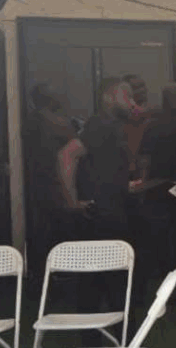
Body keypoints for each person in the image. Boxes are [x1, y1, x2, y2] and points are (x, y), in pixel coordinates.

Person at [57, 79, 147, 323]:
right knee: (106, 281)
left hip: (111, 209)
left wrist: (124, 186)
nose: (132, 102)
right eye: (126, 96)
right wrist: (71, 201)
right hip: (103, 214)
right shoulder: (101, 125)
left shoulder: (112, 126)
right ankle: (115, 337)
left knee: (104, 281)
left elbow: (102, 168)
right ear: (108, 97)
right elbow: (67, 154)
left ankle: (111, 337)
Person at [138, 83, 176, 305]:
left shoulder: (153, 126)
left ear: (164, 100)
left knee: (160, 239)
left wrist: (143, 183)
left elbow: (144, 159)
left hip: (157, 189)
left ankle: (163, 284)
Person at [24, 83, 77, 294]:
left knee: (42, 231)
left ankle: (42, 278)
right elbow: (72, 137)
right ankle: (55, 277)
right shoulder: (52, 121)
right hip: (53, 183)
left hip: (37, 184)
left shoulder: (30, 121)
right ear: (50, 99)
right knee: (54, 230)